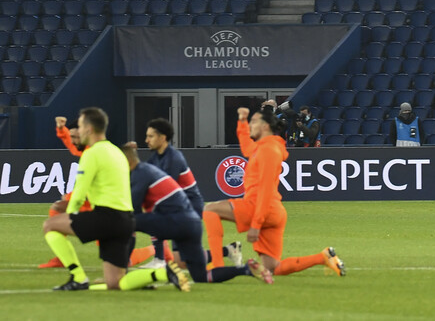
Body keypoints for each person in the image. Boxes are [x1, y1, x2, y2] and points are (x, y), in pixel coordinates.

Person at [41, 106, 190, 292]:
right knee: (115, 283)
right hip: (125, 221)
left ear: (89, 129)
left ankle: (78, 277)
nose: (77, 131)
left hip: (106, 218)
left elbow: (79, 192)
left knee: (50, 225)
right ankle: (163, 274)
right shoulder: (117, 152)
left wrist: (72, 216)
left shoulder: (92, 153)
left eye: (79, 126)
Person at [202, 105, 345, 280]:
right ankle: (323, 257)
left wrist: (256, 224)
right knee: (273, 268)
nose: (250, 126)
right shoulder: (263, 147)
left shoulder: (269, 150)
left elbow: (266, 189)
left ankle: (217, 266)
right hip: (272, 211)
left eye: (253, 122)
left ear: (265, 127)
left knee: (210, 210)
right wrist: (241, 121)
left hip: (260, 208)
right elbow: (246, 146)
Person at [121, 144, 270, 285]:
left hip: (176, 221)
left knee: (129, 222)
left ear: (126, 161)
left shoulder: (140, 174)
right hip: (191, 223)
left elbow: (134, 213)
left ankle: (128, 270)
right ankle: (245, 269)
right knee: (201, 276)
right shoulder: (150, 169)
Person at [40, 116, 155, 270]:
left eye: (76, 136)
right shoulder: (89, 149)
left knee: (113, 250)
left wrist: (70, 198)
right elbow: (70, 142)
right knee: (58, 210)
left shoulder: (95, 152)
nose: (73, 140)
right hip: (97, 205)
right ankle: (63, 258)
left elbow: (92, 185)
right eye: (72, 136)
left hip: (105, 207)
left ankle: (153, 251)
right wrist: (61, 130)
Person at [143, 117, 205, 269]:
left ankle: (159, 258)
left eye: (150, 136)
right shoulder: (156, 157)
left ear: (162, 138)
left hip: (190, 207)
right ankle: (228, 251)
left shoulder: (174, 158)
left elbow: (165, 189)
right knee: (182, 262)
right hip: (179, 206)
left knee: (154, 216)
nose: (146, 140)